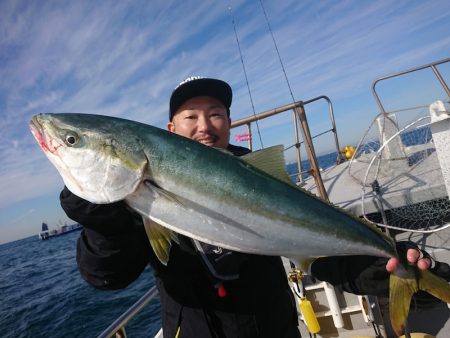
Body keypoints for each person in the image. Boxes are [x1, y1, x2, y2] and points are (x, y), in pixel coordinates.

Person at [60, 76, 447, 338]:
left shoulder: (266, 181)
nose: (204, 126)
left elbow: (318, 249)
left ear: (229, 123)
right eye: (190, 117)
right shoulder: (134, 198)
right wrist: (105, 224)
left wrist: (383, 268)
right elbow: (106, 277)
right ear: (171, 129)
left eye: (215, 115)